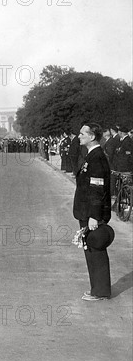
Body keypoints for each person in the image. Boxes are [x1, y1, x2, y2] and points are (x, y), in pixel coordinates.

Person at [73, 123, 113, 301]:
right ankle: (96, 288)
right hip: (86, 211)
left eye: (82, 134)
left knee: (95, 249)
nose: (79, 136)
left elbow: (97, 189)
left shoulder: (96, 158)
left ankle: (100, 291)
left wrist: (94, 216)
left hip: (91, 213)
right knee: (90, 250)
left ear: (92, 137)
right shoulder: (93, 155)